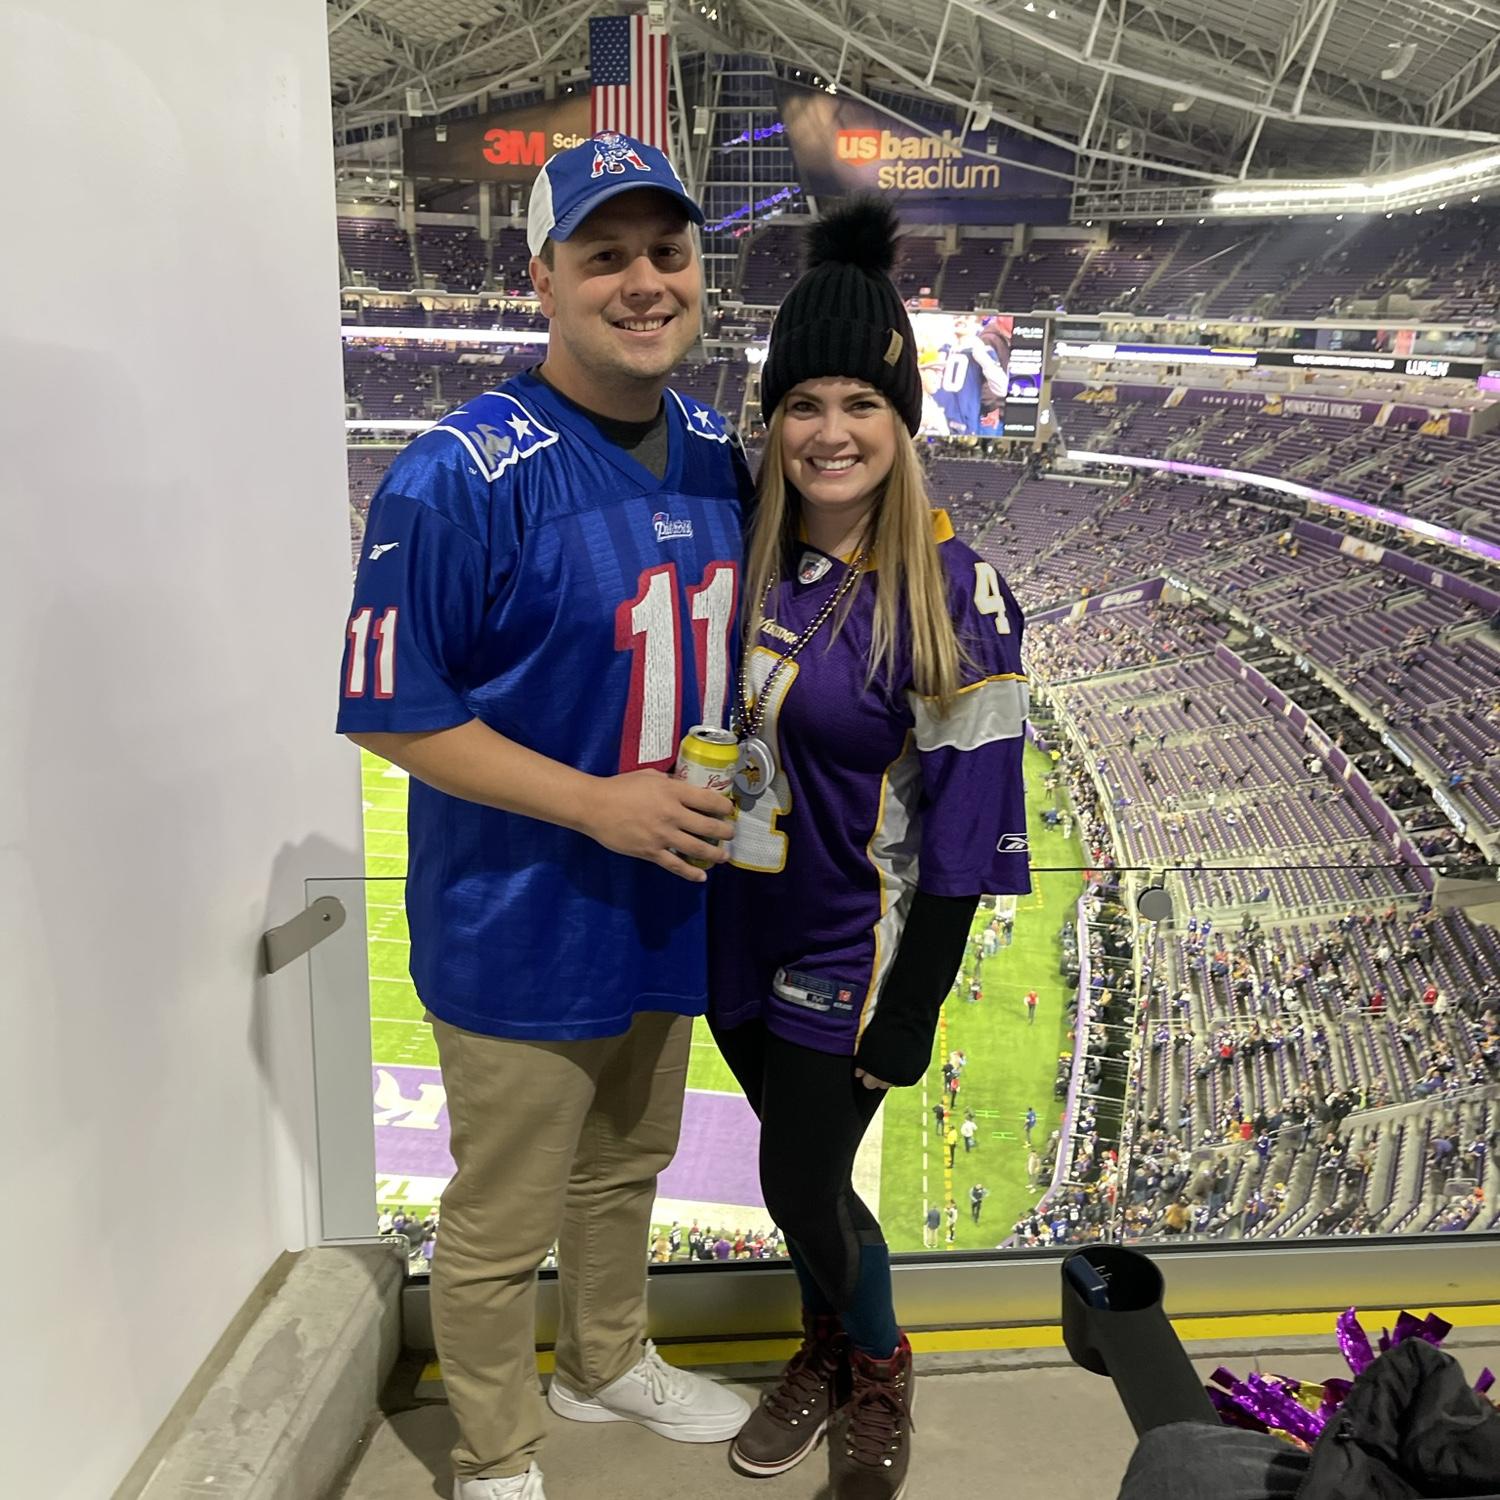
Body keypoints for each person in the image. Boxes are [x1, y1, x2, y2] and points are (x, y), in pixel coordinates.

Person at [339, 132, 752, 1500]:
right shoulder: (455, 473)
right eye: (605, 256)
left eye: (667, 253)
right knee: (504, 1214)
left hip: (666, 898)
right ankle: (497, 1450)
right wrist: (595, 806)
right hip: (521, 914)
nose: (644, 282)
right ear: (544, 280)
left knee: (629, 1166)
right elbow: (391, 710)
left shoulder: (716, 451)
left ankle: (606, 1358)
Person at [707, 200, 1030, 1498]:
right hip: (740, 923)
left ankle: (881, 1362)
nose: (829, 431)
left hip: (850, 945)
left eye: (860, 403)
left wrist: (911, 1014)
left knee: (798, 1179)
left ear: (903, 422)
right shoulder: (752, 550)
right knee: (809, 1188)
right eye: (803, 403)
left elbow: (968, 834)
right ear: (773, 419)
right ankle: (826, 1343)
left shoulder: (957, 593)